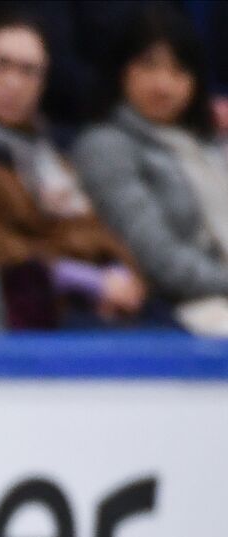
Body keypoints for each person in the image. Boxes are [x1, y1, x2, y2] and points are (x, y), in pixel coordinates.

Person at [0, 7, 154, 331]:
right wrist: (76, 274)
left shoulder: (46, 152)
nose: (13, 83)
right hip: (22, 319)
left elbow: (98, 232)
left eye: (29, 71)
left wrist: (117, 276)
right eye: (0, 65)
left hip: (92, 307)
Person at [72, 7, 228, 336]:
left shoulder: (209, 145)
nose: (163, 85)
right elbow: (157, 258)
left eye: (178, 71)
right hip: (179, 308)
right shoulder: (106, 146)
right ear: (122, 70)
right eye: (149, 66)